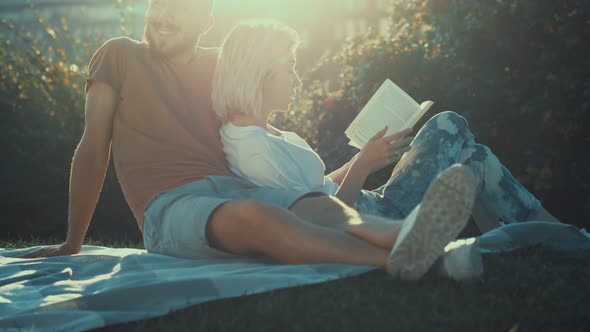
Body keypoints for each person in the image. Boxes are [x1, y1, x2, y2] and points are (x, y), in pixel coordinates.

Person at [16, 0, 478, 281]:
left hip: (237, 188)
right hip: (172, 208)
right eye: (156, 8)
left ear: (204, 19)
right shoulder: (120, 55)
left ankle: (410, 238)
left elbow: (267, 67)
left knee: (317, 203)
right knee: (258, 215)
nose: (161, 17)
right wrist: (72, 242)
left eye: (177, 9)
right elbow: (92, 147)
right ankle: (410, 262)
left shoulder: (220, 64)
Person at [213, 22, 561, 230]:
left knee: (475, 158)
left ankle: (553, 235)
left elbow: (317, 189)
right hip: (375, 217)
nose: (296, 80)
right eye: (288, 68)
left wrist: (362, 157)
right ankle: (556, 235)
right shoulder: (252, 150)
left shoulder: (270, 134)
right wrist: (363, 166)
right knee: (449, 124)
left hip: (372, 203)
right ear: (259, 72)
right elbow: (321, 222)